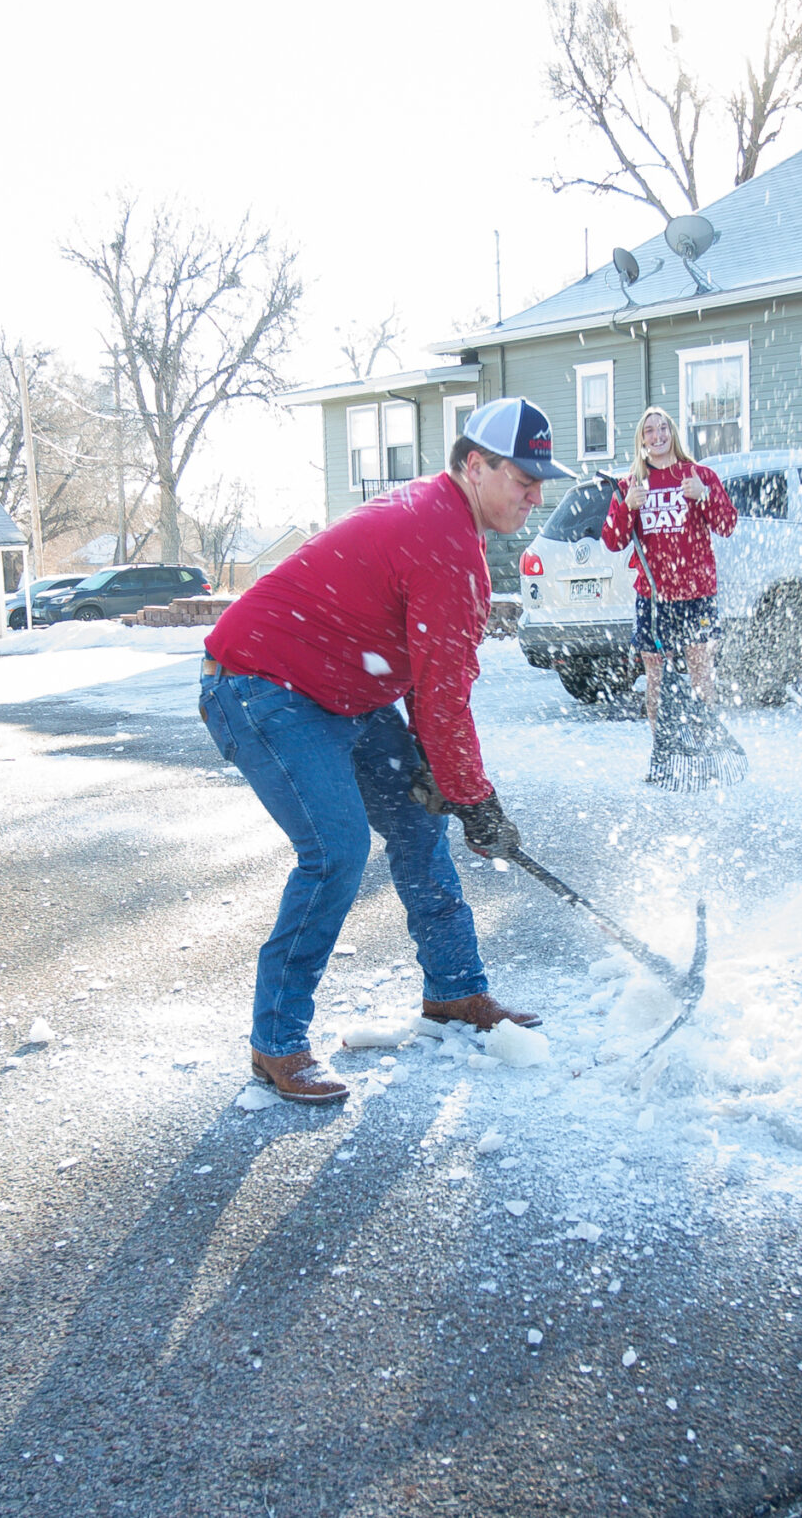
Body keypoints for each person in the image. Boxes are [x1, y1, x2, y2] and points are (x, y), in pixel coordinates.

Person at [199, 397, 568, 1105]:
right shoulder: (442, 541)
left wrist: (454, 790)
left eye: (538, 479)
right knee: (335, 849)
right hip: (260, 684)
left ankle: (455, 992)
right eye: (521, 475)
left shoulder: (446, 521)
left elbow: (433, 690)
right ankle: (275, 1041)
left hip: (339, 686)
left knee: (414, 821)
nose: (533, 493)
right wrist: (473, 795)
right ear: (473, 465)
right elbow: (441, 695)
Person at [599, 405, 739, 768]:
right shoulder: (633, 484)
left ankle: (706, 745)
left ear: (673, 433)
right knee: (655, 673)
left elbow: (727, 525)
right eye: (649, 430)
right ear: (641, 439)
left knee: (700, 670)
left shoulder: (698, 475)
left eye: (663, 428)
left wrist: (705, 495)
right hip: (654, 597)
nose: (657, 435)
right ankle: (662, 750)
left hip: (696, 593)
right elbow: (612, 541)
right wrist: (627, 508)